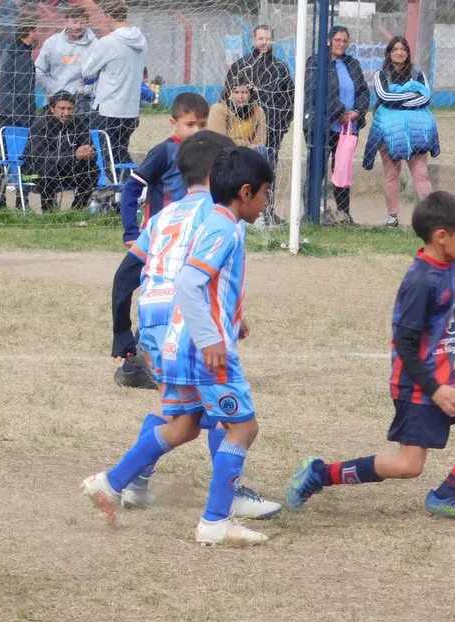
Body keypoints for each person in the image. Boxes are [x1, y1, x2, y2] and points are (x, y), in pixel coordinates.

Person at [284, 192, 455, 522]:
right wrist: (435, 389)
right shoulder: (420, 281)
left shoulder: (448, 267)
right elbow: (404, 345)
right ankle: (320, 473)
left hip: (446, 379)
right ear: (441, 237)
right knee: (408, 466)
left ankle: (447, 493)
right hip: (419, 386)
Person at [82, 147, 275, 546]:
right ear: (244, 192)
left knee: (185, 426)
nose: (266, 202)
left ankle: (111, 482)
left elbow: (208, 285)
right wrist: (211, 338)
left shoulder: (213, 224)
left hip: (176, 340)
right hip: (201, 347)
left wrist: (232, 320)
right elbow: (188, 283)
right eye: (265, 193)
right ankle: (216, 521)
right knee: (243, 427)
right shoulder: (225, 229)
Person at [112, 92, 209, 389]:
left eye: (202, 125)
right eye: (190, 124)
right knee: (124, 281)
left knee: (172, 299)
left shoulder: (209, 156)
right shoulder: (164, 152)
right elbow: (131, 190)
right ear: (173, 124)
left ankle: (147, 362)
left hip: (187, 247)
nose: (196, 131)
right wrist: (131, 232)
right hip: (156, 242)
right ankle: (128, 346)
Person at [363, 37, 438, 229]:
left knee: (421, 175)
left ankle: (433, 219)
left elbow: (426, 97)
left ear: (407, 52)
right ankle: (392, 217)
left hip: (415, 130)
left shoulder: (418, 73)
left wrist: (398, 101)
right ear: (389, 52)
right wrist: (411, 97)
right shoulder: (381, 74)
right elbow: (384, 97)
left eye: (403, 49)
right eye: (395, 49)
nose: (399, 52)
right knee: (391, 173)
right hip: (390, 131)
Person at [227, 25, 294, 223]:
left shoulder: (280, 68)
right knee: (242, 170)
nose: (264, 42)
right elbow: (227, 95)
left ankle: (267, 211)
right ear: (253, 41)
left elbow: (289, 100)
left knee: (268, 170)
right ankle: (240, 210)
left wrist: (282, 125)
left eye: (267, 38)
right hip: (244, 131)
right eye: (260, 38)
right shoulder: (241, 66)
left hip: (272, 130)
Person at [303, 25, 370, 226]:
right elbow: (315, 92)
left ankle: (343, 215)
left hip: (348, 128)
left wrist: (357, 112)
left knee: (342, 170)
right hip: (323, 126)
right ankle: (311, 214)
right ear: (328, 41)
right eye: (337, 40)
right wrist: (339, 112)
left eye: (345, 41)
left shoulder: (353, 64)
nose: (341, 44)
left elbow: (364, 92)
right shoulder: (316, 62)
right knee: (318, 170)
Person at [82, 0, 148, 169]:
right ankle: (128, 185)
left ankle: (114, 188)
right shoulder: (141, 40)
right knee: (120, 152)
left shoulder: (108, 42)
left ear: (109, 17)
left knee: (104, 154)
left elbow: (86, 70)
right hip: (131, 110)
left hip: (108, 109)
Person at [23, 91, 100, 212]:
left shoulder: (79, 124)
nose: (66, 113)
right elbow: (39, 155)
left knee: (93, 169)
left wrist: (88, 153)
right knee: (48, 167)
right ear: (52, 108)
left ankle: (76, 210)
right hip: (36, 171)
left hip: (66, 169)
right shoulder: (40, 124)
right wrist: (74, 155)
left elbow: (91, 152)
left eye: (70, 109)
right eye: (62, 108)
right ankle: (48, 211)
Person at [0, 16, 39, 208]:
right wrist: (32, 116)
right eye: (39, 29)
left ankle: (1, 199)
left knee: (3, 155)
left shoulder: (14, 49)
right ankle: (18, 199)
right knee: (19, 156)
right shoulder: (20, 55)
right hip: (15, 114)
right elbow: (24, 90)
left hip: (5, 110)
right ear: (30, 31)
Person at [34, 5, 98, 114]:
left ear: (87, 23)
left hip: (81, 102)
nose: (78, 26)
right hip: (53, 101)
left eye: (82, 22)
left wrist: (85, 90)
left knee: (79, 130)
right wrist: (53, 91)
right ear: (66, 21)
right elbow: (38, 71)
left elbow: (102, 75)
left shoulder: (96, 45)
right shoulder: (52, 43)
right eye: (74, 22)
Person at [209, 76, 267, 148]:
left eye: (245, 92)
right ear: (229, 93)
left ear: (251, 94)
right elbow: (219, 141)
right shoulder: (218, 109)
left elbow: (260, 143)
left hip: (249, 154)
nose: (240, 96)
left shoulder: (258, 111)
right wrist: (242, 143)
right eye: (236, 92)